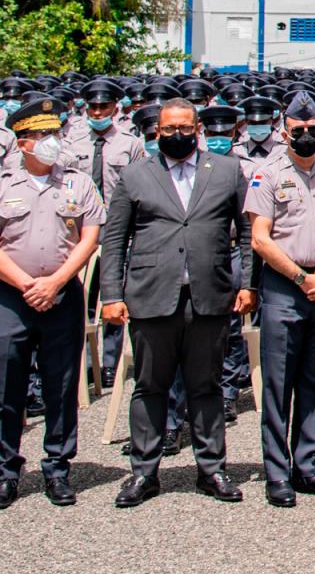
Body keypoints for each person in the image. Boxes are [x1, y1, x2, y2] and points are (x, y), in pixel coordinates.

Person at [98, 97, 257, 508]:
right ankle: (144, 473)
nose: (178, 135)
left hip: (210, 294)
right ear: (156, 131)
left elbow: (245, 225)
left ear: (198, 127)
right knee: (151, 386)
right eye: (169, 129)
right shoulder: (135, 175)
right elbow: (114, 239)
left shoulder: (225, 170)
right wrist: (111, 295)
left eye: (185, 127)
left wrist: (248, 284)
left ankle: (212, 468)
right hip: (152, 296)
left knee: (206, 385)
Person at [0, 96, 102, 510]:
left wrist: (57, 282)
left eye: (54, 134)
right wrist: (29, 285)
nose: (50, 142)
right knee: (8, 386)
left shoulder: (78, 182)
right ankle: (6, 471)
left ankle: (58, 468)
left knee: (61, 384)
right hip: (12, 295)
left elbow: (90, 237)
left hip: (62, 294)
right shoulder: (0, 185)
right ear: (21, 142)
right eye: (40, 135)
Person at [245, 93, 315, 506]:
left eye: (314, 130)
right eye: (299, 131)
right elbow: (260, 238)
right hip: (285, 290)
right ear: (284, 132)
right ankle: (277, 474)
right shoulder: (267, 173)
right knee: (279, 386)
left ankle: (308, 466)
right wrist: (299, 277)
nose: (307, 136)